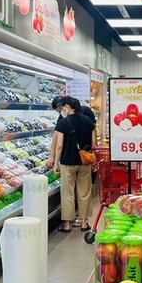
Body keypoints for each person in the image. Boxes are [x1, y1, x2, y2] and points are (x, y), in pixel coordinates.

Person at [53, 96, 95, 233]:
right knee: (84, 192)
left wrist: (55, 163)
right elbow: (93, 143)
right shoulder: (88, 121)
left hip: (67, 162)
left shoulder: (63, 123)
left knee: (67, 193)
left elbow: (59, 146)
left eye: (64, 107)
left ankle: (67, 224)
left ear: (68, 107)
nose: (63, 109)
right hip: (84, 162)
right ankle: (84, 222)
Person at [46, 95, 96, 171]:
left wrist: (55, 160)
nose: (60, 113)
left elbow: (59, 143)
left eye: (60, 111)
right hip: (85, 159)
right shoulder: (87, 118)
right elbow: (93, 139)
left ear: (64, 107)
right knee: (84, 182)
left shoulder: (63, 122)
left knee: (68, 182)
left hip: (68, 160)